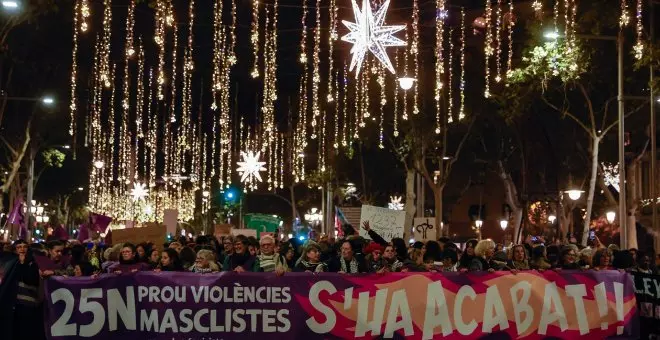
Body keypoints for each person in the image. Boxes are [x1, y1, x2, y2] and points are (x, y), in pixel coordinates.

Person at [2, 240, 45, 340]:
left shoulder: (32, 263)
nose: (22, 249)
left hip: (27, 305)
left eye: (24, 247)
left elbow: (30, 279)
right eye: (19, 247)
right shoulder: (10, 263)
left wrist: (22, 263)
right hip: (12, 305)